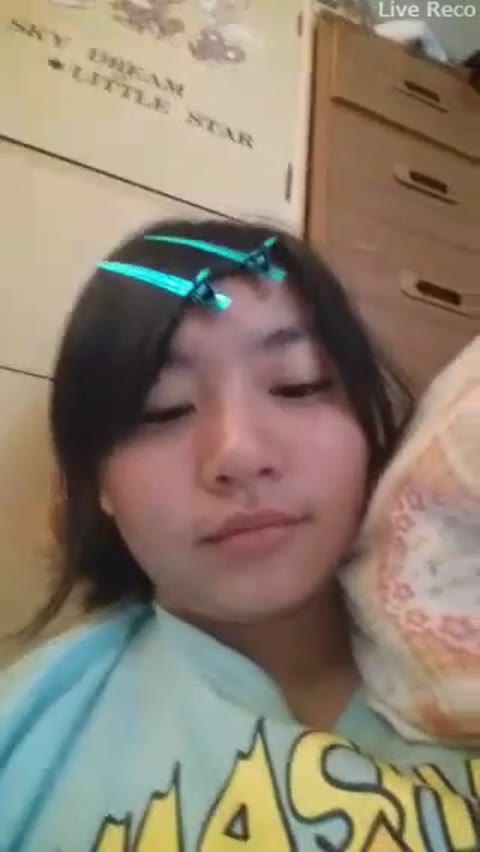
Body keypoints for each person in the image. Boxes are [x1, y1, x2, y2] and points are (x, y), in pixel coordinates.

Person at [0, 219, 478, 852]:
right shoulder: (24, 733)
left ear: (368, 421)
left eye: (297, 384)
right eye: (163, 409)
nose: (239, 453)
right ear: (100, 485)